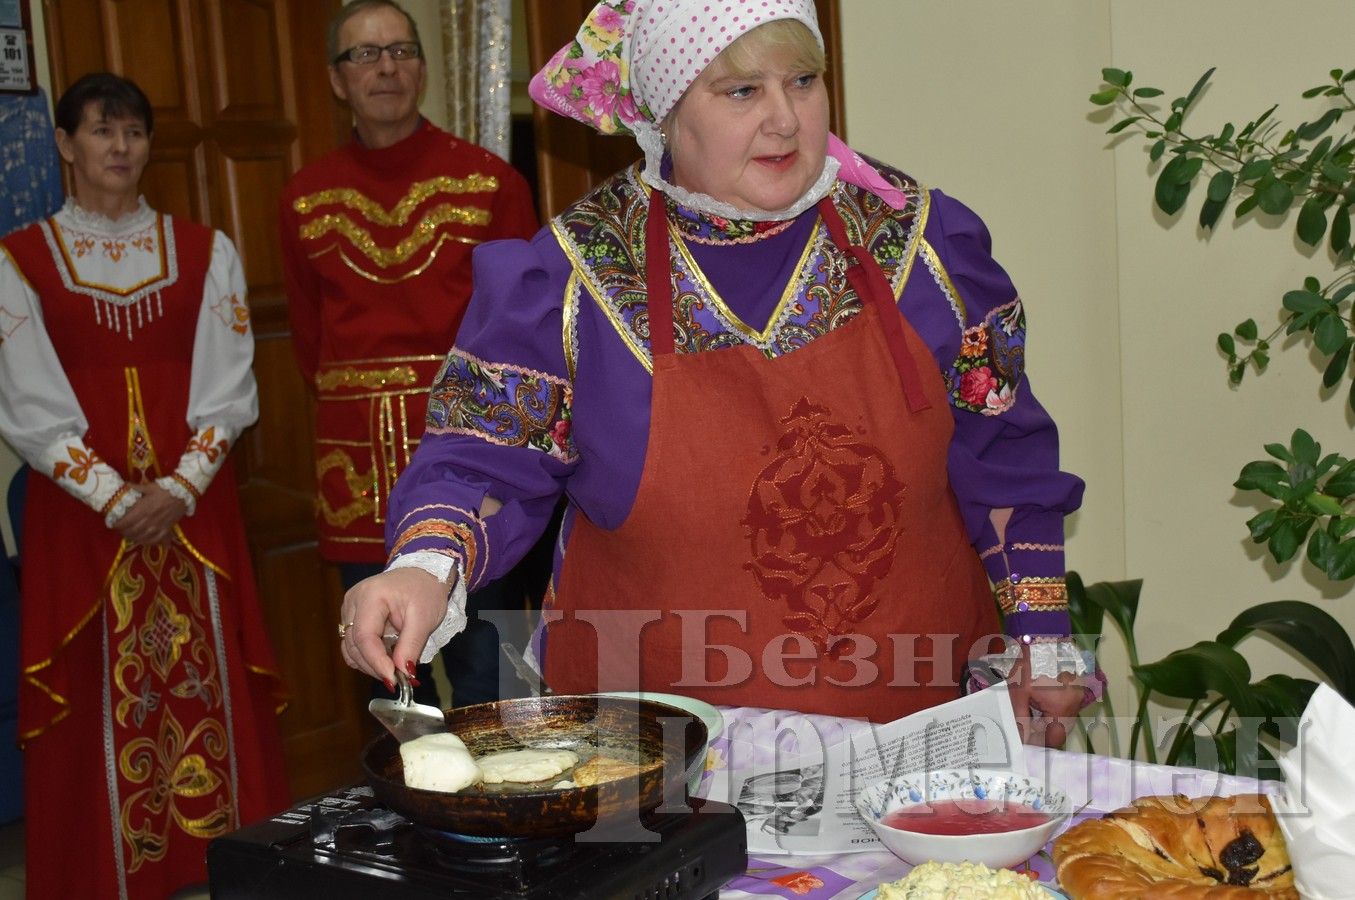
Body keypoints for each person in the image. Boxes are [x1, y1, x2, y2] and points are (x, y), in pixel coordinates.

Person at [341, 0, 1098, 743]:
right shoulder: (573, 277)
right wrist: (424, 565)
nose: (784, 118)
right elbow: (485, 458)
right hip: (663, 751)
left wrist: (1041, 638)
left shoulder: (919, 243)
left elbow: (1004, 459)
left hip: (918, 721)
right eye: (742, 91)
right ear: (668, 113)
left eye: (801, 81)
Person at [0, 73, 288, 898]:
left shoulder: (207, 251)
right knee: (95, 690)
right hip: (81, 518)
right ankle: (103, 873)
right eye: (101, 131)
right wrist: (118, 499)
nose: (120, 148)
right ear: (65, 143)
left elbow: (230, 387)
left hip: (193, 513)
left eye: (132, 132)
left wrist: (182, 486)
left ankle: (221, 857)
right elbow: (25, 402)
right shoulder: (18, 262)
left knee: (208, 679)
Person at [278, 0, 539, 706]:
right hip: (353, 470)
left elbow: (529, 340)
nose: (385, 67)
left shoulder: (492, 183)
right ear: (337, 79)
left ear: (422, 67)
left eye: (398, 50)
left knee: (492, 674)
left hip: (476, 463)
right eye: (364, 54)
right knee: (383, 674)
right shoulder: (303, 197)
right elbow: (310, 338)